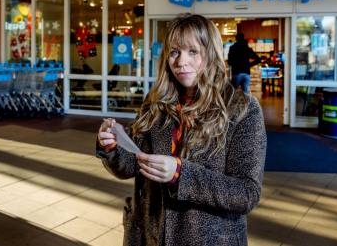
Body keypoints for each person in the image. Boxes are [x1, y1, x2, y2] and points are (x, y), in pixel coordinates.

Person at [96, 14, 266, 246]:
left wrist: (180, 174)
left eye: (192, 52)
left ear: (211, 54)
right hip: (149, 236)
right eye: (175, 52)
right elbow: (133, 165)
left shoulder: (242, 109)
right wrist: (113, 148)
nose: (181, 62)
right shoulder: (156, 103)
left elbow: (246, 193)